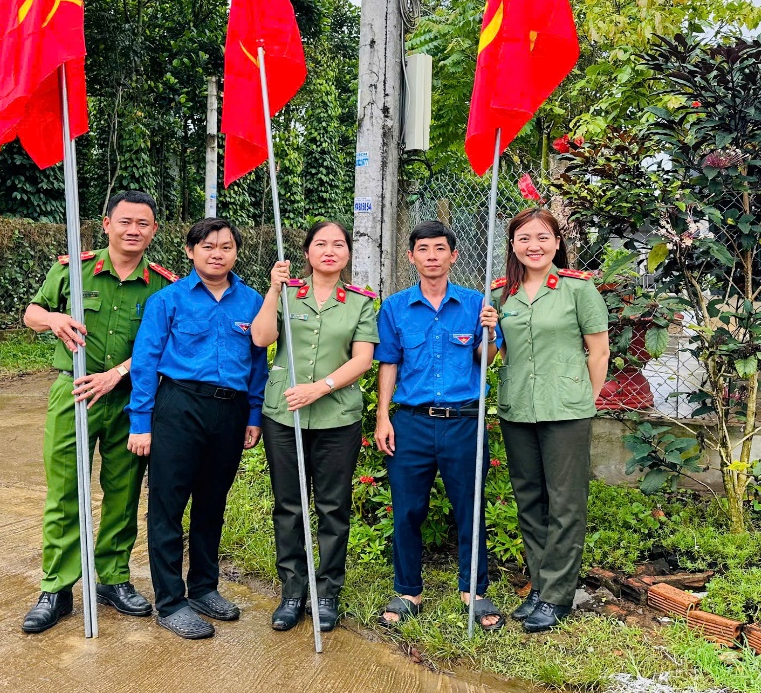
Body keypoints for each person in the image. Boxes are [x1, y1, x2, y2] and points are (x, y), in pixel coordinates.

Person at [19, 190, 176, 635]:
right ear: (106, 224)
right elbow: (32, 310)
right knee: (66, 492)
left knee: (123, 493)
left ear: (153, 231)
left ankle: (112, 578)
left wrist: (118, 373)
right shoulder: (73, 266)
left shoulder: (163, 285)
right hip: (72, 393)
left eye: (142, 224)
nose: (133, 230)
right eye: (125, 221)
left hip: (132, 399)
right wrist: (52, 320)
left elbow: (167, 346)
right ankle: (57, 587)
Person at [126, 217, 267, 640]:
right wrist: (141, 422)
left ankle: (204, 588)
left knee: (212, 504)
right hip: (178, 407)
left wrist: (254, 415)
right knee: (167, 506)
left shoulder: (252, 301)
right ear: (190, 252)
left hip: (230, 411)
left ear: (236, 253)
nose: (216, 253)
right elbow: (146, 361)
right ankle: (170, 602)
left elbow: (259, 362)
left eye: (225, 246)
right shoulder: (167, 301)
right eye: (207, 246)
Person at [372, 220, 504, 632]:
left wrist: (489, 333)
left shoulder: (475, 303)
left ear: (454, 255)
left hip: (463, 422)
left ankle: (473, 591)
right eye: (423, 249)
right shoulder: (395, 307)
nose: (432, 256)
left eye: (440, 249)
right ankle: (409, 589)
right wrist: (382, 416)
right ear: (411, 257)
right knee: (408, 509)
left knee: (470, 507)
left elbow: (485, 362)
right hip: (411, 423)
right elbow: (389, 363)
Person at [484, 208, 610, 633]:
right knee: (529, 500)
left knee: (565, 503)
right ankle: (541, 584)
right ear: (513, 246)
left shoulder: (577, 290)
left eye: (541, 237)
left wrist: (584, 399)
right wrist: (486, 332)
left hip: (567, 411)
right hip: (519, 408)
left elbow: (599, 352)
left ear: (557, 242)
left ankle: (557, 596)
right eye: (523, 238)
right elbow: (492, 356)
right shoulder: (501, 295)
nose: (533, 246)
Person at [251, 221, 378, 634]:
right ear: (306, 253)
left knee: (332, 507)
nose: (329, 250)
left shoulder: (360, 302)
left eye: (337, 244)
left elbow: (362, 360)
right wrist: (273, 288)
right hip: (284, 415)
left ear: (347, 253)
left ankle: (327, 593)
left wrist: (319, 388)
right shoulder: (287, 293)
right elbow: (260, 337)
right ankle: (292, 591)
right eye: (320, 244)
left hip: (337, 416)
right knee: (289, 505)